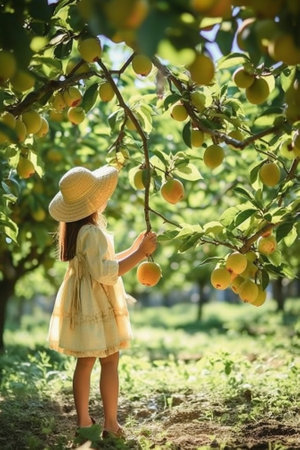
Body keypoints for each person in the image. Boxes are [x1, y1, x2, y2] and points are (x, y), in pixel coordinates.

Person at [48, 165, 157, 438]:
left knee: (84, 362)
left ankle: (84, 423)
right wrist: (141, 255)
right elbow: (106, 271)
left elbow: (101, 262)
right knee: (110, 361)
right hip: (97, 303)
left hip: (83, 304)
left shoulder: (77, 232)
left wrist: (133, 249)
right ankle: (110, 423)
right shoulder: (93, 232)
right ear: (92, 202)